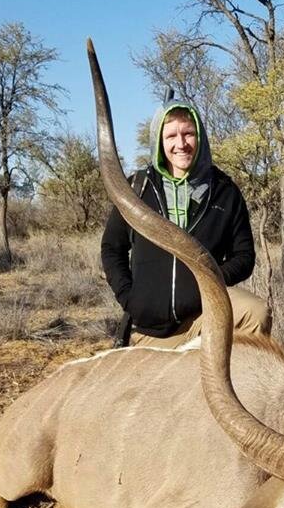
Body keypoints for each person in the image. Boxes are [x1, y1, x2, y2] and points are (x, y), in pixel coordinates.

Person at [101, 90, 271, 348]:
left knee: (255, 313)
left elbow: (244, 257)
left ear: (199, 136)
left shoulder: (225, 190)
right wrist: (130, 297)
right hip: (152, 329)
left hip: (206, 315)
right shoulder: (138, 187)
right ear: (159, 141)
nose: (181, 144)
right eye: (171, 136)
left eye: (188, 133)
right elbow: (112, 248)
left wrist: (206, 285)